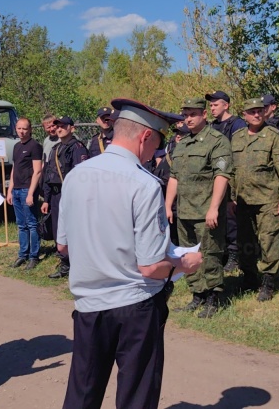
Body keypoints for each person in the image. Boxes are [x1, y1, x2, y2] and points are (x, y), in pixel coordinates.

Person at [58, 98, 203, 409]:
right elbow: (151, 267)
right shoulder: (145, 184)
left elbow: (63, 246)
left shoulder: (75, 176)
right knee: (136, 396)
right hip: (135, 305)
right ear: (145, 137)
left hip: (88, 305)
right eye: (157, 144)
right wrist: (184, 263)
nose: (156, 155)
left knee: (82, 394)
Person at [165, 97, 231, 318]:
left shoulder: (217, 141)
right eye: (185, 114)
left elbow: (222, 175)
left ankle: (213, 298)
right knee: (187, 256)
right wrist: (167, 206)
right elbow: (174, 177)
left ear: (204, 114)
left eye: (193, 114)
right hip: (184, 212)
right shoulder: (182, 144)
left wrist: (214, 208)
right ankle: (197, 295)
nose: (188, 118)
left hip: (206, 212)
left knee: (209, 255)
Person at [230, 98, 279, 302]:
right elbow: (231, 171)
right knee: (245, 241)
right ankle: (249, 277)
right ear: (244, 114)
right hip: (242, 201)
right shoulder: (237, 137)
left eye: (260, 111)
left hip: (268, 199)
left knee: (269, 240)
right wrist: (231, 198)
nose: (257, 114)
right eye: (252, 111)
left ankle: (268, 281)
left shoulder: (273, 136)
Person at [42, 116, 88, 279]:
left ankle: (78, 264)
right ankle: (65, 264)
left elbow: (81, 175)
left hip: (70, 194)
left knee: (73, 230)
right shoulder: (55, 149)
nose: (59, 129)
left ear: (72, 128)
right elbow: (48, 175)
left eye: (63, 126)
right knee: (58, 231)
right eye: (57, 126)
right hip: (55, 195)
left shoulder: (77, 148)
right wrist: (46, 199)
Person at [206, 90, 247, 274]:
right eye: (211, 105)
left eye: (215, 105)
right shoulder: (212, 126)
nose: (212, 108)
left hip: (231, 177)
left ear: (226, 105)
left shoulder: (237, 124)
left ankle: (234, 254)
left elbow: (239, 154)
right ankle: (222, 253)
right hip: (215, 177)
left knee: (232, 218)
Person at [6, 117, 44, 270]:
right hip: (16, 190)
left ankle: (33, 256)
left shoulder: (35, 146)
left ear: (30, 130)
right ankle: (23, 254)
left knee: (31, 224)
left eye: (25, 129)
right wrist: (9, 190)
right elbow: (15, 168)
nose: (21, 131)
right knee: (21, 225)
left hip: (27, 190)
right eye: (19, 128)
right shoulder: (16, 146)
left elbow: (38, 171)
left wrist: (30, 193)